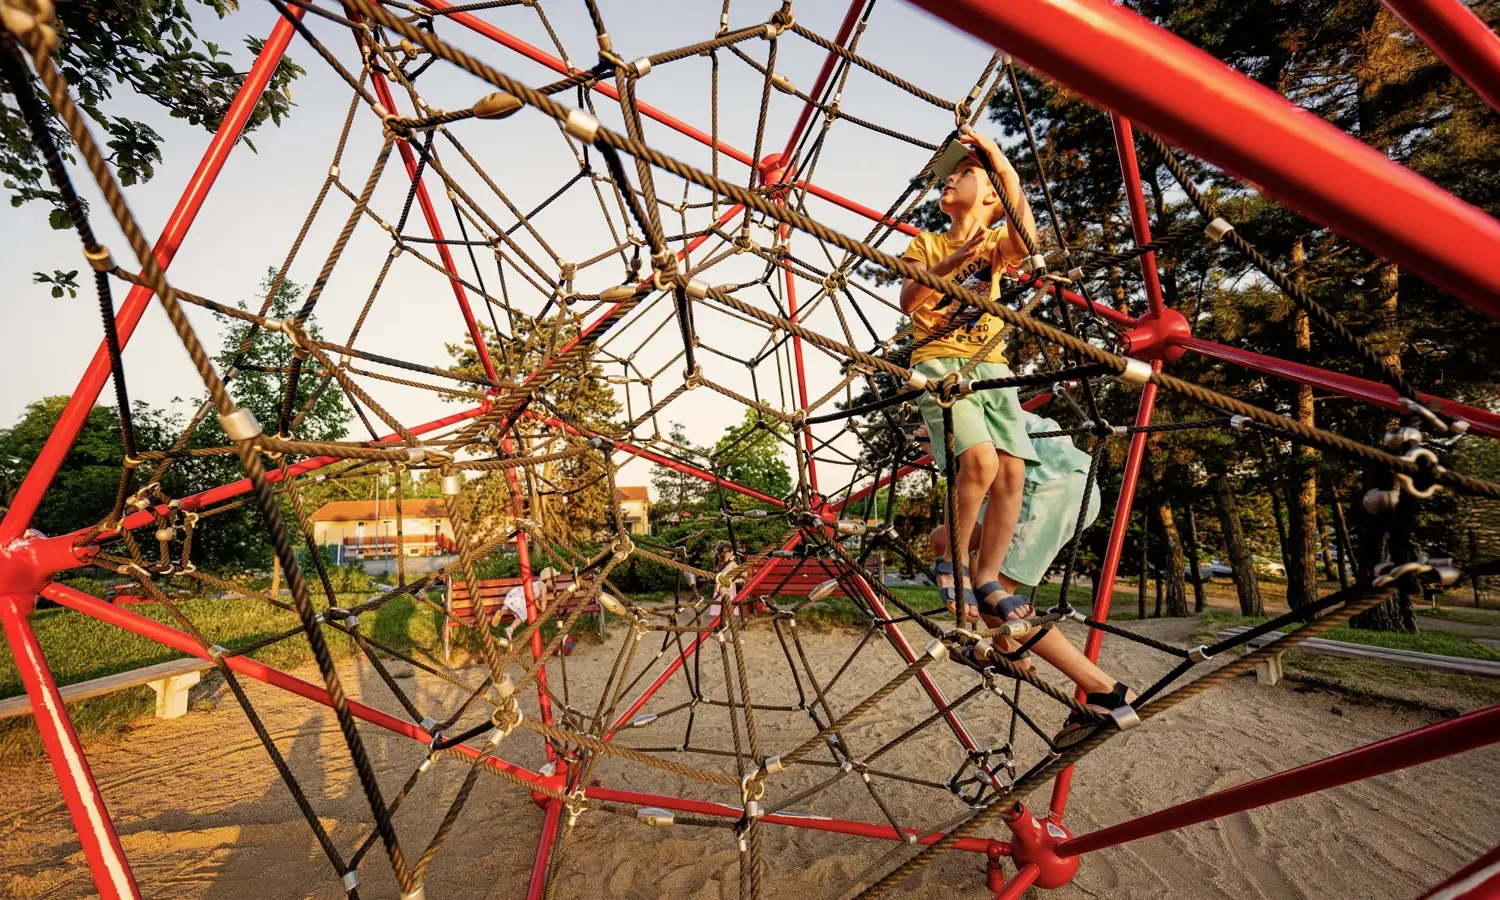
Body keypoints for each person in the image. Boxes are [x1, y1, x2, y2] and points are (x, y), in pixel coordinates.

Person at [899, 125, 1041, 628]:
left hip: (992, 365)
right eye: (950, 175)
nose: (950, 180)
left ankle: (988, 576)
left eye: (964, 174)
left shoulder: (999, 241)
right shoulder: (929, 243)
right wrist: (958, 260)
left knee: (1013, 472)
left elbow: (1026, 241)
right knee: (979, 463)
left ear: (990, 198)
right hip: (939, 361)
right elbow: (909, 302)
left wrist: (1004, 168)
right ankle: (954, 560)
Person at [921, 414, 1136, 747]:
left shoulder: (947, 407)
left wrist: (958, 566)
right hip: (1069, 484)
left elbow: (970, 480)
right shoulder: (995, 403)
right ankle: (1010, 651)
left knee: (993, 595)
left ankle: (1107, 692)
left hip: (1044, 490)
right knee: (942, 539)